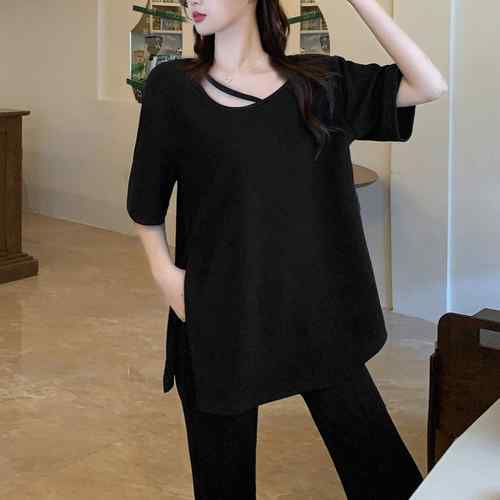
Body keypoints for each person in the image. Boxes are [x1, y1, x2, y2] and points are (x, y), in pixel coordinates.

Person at [126, 0, 447, 498]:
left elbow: (428, 85)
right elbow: (146, 201)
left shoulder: (320, 82)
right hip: (221, 311)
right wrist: (168, 278)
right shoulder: (173, 87)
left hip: (318, 308)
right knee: (222, 481)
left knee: (382, 472)